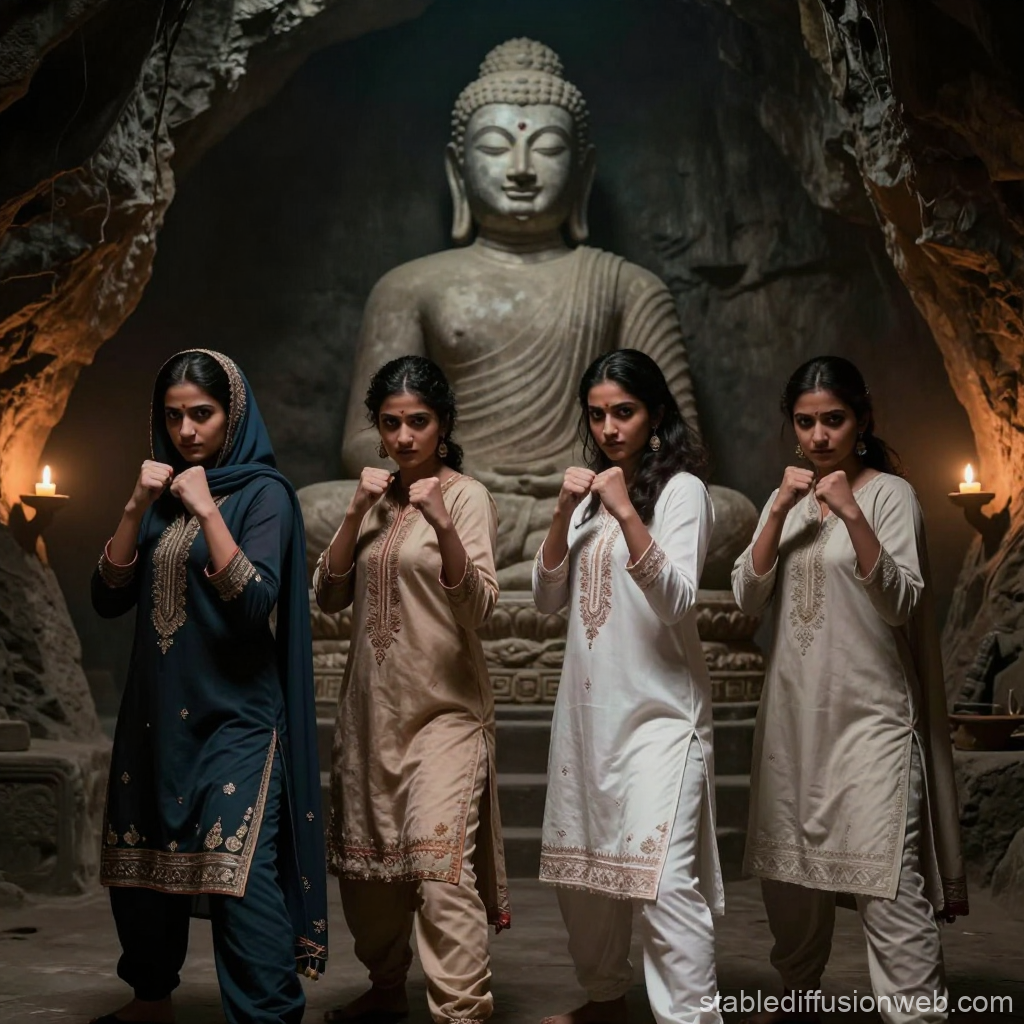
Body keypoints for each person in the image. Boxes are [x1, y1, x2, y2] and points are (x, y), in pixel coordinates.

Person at [91, 349, 327, 1024]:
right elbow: (108, 597)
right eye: (173, 417)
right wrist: (138, 506)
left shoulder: (265, 494)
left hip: (236, 721)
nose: (187, 430)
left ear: (234, 414)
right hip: (156, 716)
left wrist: (209, 511)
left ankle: (267, 1015)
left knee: (237, 878)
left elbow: (255, 605)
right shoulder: (161, 495)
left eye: (202, 414)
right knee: (143, 868)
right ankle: (150, 996)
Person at [731, 356, 968, 1024]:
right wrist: (778, 509)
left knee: (887, 885)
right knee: (789, 883)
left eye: (833, 420)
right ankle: (798, 997)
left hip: (870, 721)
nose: (819, 435)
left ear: (861, 420)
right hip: (793, 723)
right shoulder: (792, 500)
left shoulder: (891, 496)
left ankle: (915, 1014)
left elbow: (900, 603)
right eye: (805, 422)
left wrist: (851, 513)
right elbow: (747, 599)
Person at [313, 355, 508, 1024]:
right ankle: (387, 983)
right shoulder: (373, 497)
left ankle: (460, 1011)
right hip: (371, 716)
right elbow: (329, 595)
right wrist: (356, 510)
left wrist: (444, 523)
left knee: (438, 867)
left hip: (445, 714)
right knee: (369, 881)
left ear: (443, 425)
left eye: (417, 423)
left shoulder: (466, 496)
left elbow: (479, 608)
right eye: (390, 424)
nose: (402, 438)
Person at [534, 349, 723, 1024]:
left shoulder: (683, 493)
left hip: (661, 717)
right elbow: (547, 599)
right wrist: (563, 510)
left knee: (664, 882)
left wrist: (624, 509)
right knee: (584, 881)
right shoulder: (588, 498)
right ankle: (605, 1000)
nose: (609, 427)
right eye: (598, 414)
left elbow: (676, 600)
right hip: (587, 718)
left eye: (625, 412)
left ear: (656, 414)